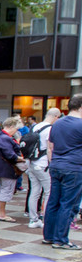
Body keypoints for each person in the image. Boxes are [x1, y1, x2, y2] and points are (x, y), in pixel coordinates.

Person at [43, 93, 82, 250]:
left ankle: (49, 236)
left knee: (53, 201)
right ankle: (61, 239)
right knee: (68, 204)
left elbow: (51, 144)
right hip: (74, 167)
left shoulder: (57, 123)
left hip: (57, 165)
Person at [24, 108, 60, 229]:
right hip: (43, 164)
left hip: (32, 163)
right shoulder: (50, 129)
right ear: (55, 116)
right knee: (49, 191)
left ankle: (33, 219)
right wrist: (52, 164)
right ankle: (47, 217)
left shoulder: (36, 126)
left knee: (35, 191)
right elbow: (50, 148)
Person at [0, 116, 25, 223]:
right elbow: (10, 155)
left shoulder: (0, 136)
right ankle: (2, 214)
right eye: (16, 129)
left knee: (0, 190)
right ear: (11, 126)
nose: (16, 131)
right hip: (6, 169)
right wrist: (21, 159)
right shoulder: (5, 138)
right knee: (6, 190)